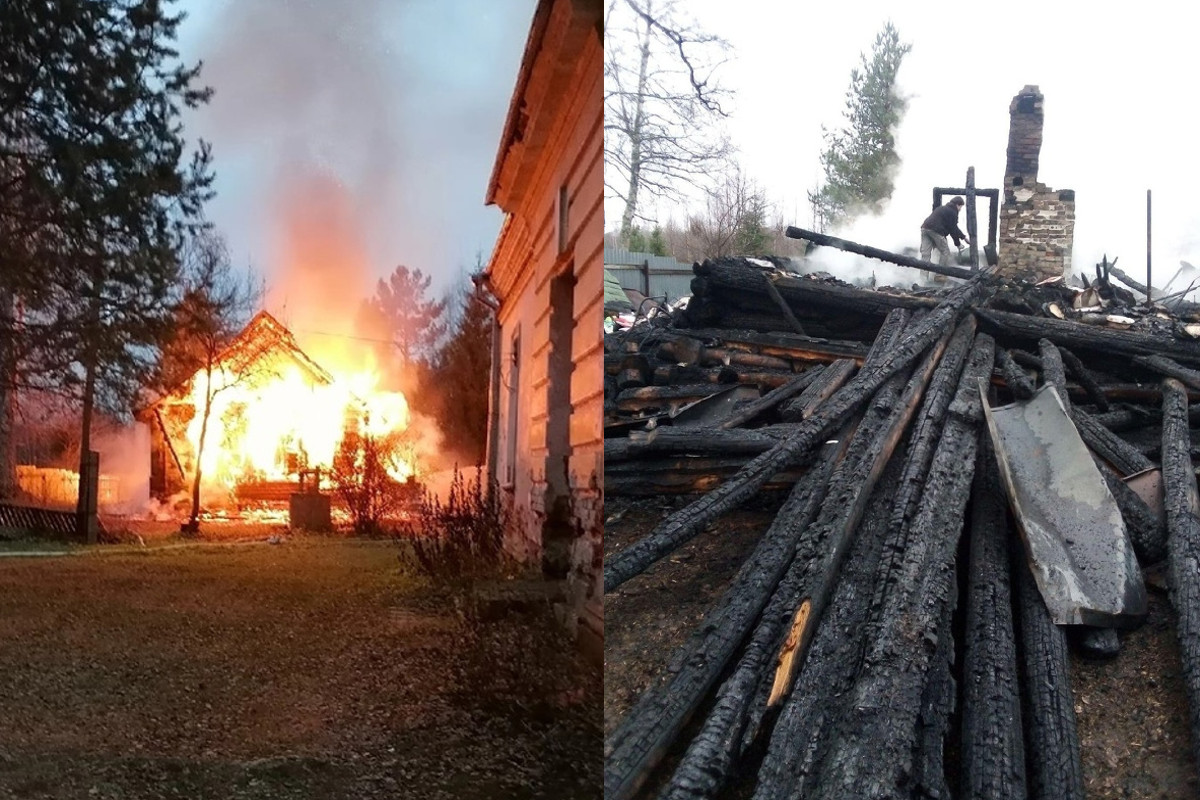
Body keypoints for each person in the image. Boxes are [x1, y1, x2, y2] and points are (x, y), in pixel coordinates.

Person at [920, 196, 970, 266]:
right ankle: (939, 275)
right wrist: (958, 244)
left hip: (924, 228)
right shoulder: (953, 212)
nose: (960, 209)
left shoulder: (942, 208)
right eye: (961, 207)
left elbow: (954, 227)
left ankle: (923, 276)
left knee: (925, 254)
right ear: (957, 204)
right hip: (936, 231)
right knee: (945, 252)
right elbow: (953, 230)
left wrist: (963, 237)